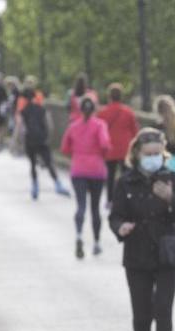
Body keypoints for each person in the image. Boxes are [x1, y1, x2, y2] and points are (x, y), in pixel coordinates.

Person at [108, 128, 175, 331]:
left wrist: (170, 199)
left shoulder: (172, 179)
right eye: (148, 154)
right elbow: (116, 214)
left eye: (158, 154)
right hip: (137, 255)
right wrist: (120, 227)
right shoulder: (126, 182)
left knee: (163, 309)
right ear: (137, 154)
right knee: (142, 315)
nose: (153, 158)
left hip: (167, 253)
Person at [60, 96, 111, 258]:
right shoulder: (100, 125)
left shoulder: (73, 126)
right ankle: (96, 242)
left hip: (79, 169)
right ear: (95, 109)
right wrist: (100, 155)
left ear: (80, 109)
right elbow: (105, 144)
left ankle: (79, 235)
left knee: (81, 205)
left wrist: (77, 155)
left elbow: (65, 147)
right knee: (95, 208)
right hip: (96, 169)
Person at [17, 81, 68, 200]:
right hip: (42, 139)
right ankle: (57, 184)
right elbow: (49, 125)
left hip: (30, 140)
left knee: (33, 164)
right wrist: (47, 137)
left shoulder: (23, 111)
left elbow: (21, 128)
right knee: (49, 162)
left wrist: (19, 141)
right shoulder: (41, 109)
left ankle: (35, 187)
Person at [97, 83, 138, 206]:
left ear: (109, 96)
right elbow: (135, 131)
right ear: (121, 96)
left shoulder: (102, 113)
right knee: (127, 175)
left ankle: (110, 199)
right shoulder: (128, 112)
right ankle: (127, 198)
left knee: (110, 176)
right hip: (126, 149)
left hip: (110, 149)